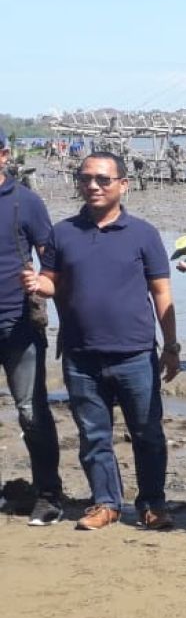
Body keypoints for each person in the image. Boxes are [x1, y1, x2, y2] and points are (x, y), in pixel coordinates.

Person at [23, 151, 180, 531]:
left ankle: (152, 503)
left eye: (102, 179)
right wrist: (37, 285)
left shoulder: (143, 233)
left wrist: (172, 345)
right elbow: (52, 280)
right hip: (80, 353)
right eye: (85, 178)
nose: (92, 185)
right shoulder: (62, 232)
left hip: (135, 353)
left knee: (147, 433)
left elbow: (161, 291)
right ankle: (106, 503)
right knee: (94, 435)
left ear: (123, 185)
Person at [0, 133, 64, 525]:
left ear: (4, 155)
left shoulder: (26, 202)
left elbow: (52, 255)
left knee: (31, 411)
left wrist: (44, 282)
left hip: (18, 323)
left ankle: (48, 494)